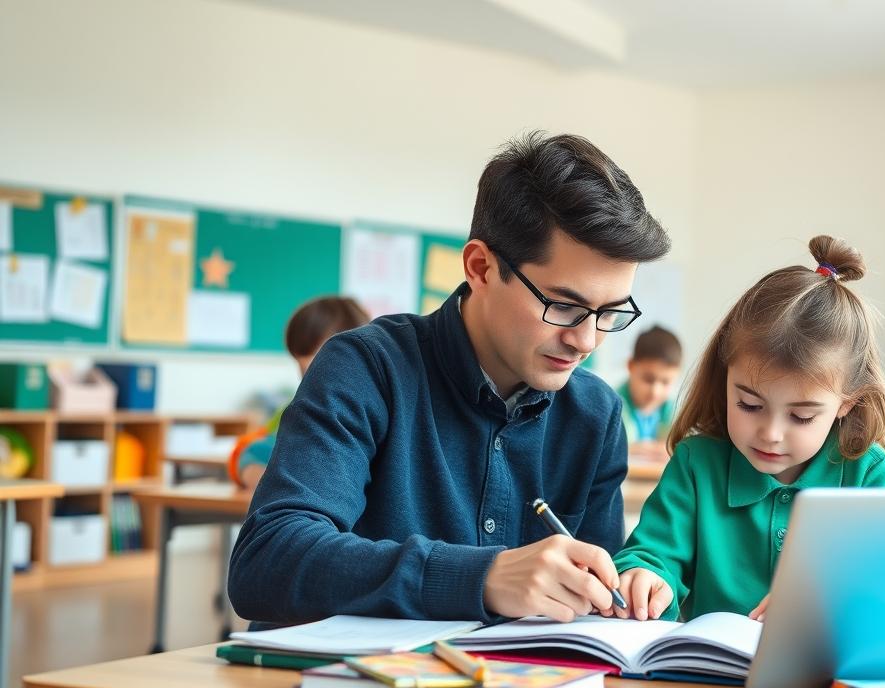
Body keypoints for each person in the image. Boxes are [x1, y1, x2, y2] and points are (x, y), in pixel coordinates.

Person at [228, 132, 671, 624]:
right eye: (563, 306)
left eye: (610, 312)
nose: (587, 341)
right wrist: (482, 577)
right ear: (480, 267)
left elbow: (591, 614)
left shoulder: (595, 415)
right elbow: (266, 562)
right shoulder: (365, 368)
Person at [610, 235, 885, 622]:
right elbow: (653, 554)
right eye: (749, 405)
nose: (770, 433)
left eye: (801, 417)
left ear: (846, 403)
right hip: (702, 678)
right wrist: (645, 577)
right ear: (724, 380)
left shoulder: (870, 473)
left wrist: (835, 595)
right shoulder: (696, 464)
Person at [233, 296, 371, 491]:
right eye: (299, 362)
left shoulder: (377, 409)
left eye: (318, 359)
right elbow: (252, 450)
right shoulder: (296, 408)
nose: (305, 372)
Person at [618, 325, 681, 461]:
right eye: (648, 379)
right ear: (631, 366)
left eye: (665, 382)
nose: (655, 392)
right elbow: (617, 448)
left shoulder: (671, 408)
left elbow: (673, 446)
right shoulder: (614, 403)